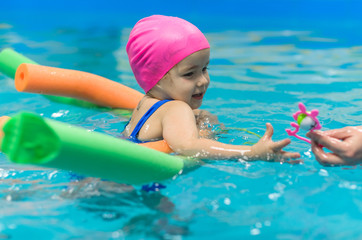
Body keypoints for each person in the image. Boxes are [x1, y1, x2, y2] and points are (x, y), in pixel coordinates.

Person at [122, 15, 300, 162]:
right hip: (145, 176)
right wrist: (252, 152)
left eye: (205, 69)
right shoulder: (177, 108)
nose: (203, 81)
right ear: (156, 78)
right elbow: (187, 146)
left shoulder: (145, 104)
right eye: (189, 74)